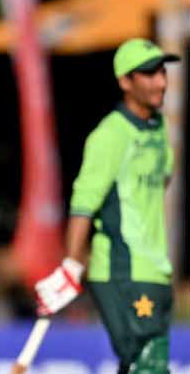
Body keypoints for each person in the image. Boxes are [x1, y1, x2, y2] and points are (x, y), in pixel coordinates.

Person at [35, 38, 178, 374]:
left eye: (162, 72)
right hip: (121, 271)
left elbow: (163, 180)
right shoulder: (109, 135)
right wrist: (72, 264)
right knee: (148, 364)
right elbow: (83, 205)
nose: (161, 82)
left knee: (141, 365)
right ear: (125, 81)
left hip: (156, 269)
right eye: (149, 74)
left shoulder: (159, 128)